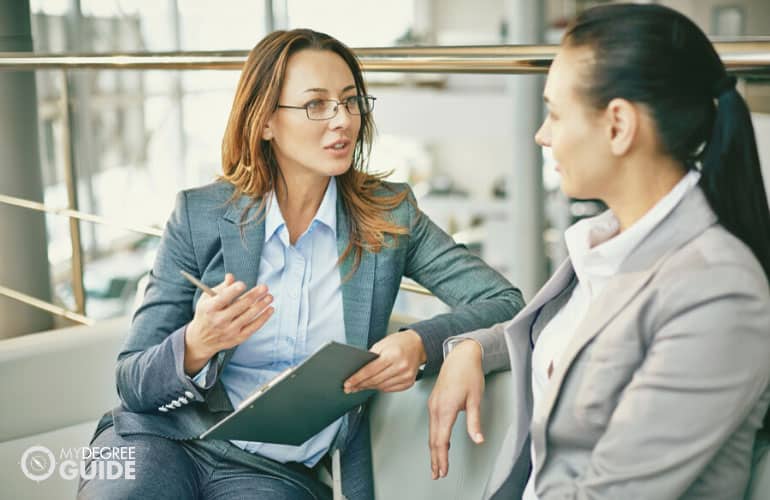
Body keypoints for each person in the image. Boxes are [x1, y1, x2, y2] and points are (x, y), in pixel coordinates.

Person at [77, 29, 524, 500]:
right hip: (164, 439)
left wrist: (424, 343)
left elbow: (504, 300)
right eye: (317, 105)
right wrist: (196, 344)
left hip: (272, 472)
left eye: (351, 102)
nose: (343, 120)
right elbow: (133, 382)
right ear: (266, 120)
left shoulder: (391, 215)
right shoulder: (199, 216)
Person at [427, 4, 770, 499]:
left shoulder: (718, 291)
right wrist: (473, 347)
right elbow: (569, 338)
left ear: (617, 126)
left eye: (555, 113)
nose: (541, 135)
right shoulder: (609, 244)